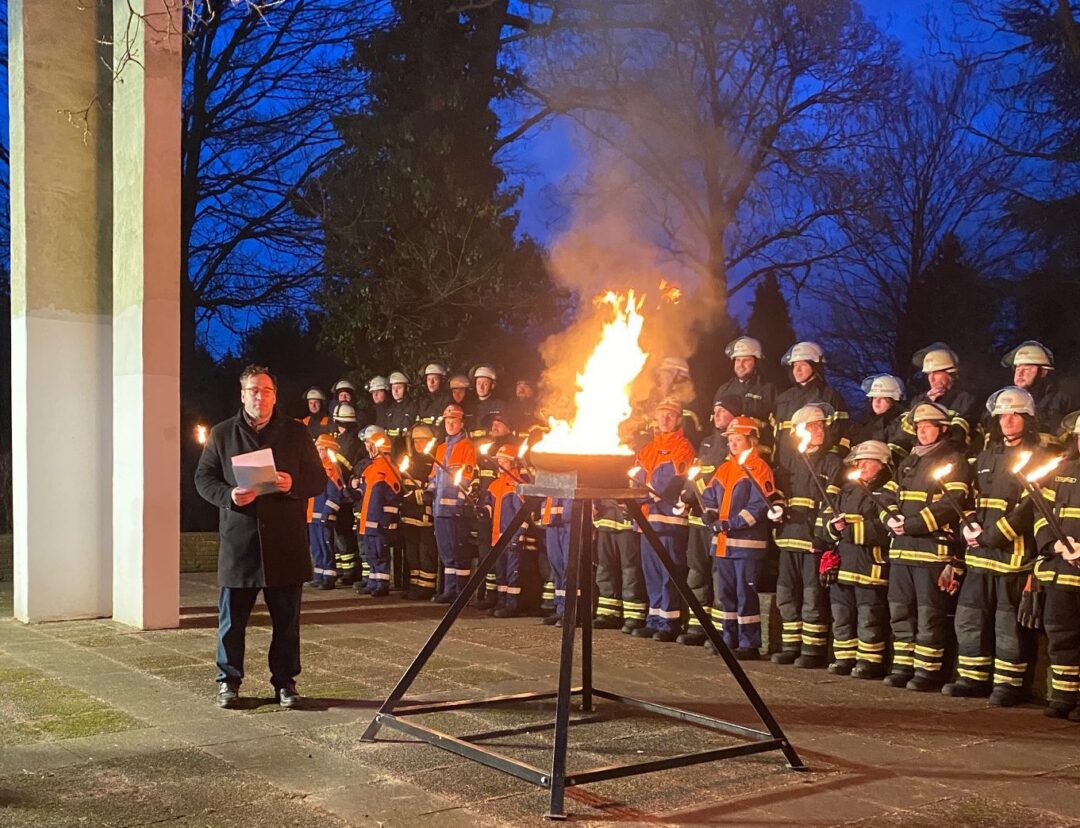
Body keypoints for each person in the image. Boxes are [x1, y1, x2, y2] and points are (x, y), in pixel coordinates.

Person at [194, 364, 325, 710]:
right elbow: (203, 479)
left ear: (274, 396)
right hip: (241, 542)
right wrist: (228, 496)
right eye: (253, 390)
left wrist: (292, 484)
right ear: (242, 394)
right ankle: (228, 682)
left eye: (266, 391)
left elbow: (318, 480)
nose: (260, 397)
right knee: (232, 621)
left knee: (286, 623)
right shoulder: (222, 434)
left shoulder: (296, 434)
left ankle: (285, 683)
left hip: (284, 542)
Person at [942, 387, 1049, 705]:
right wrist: (968, 525)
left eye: (1015, 415)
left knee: (1008, 625)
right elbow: (970, 498)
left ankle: (1010, 685)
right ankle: (972, 678)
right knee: (969, 619)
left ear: (1027, 419)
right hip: (979, 558)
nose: (1008, 420)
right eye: (1003, 415)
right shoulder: (986, 455)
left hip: (1012, 559)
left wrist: (994, 534)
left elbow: (1031, 506)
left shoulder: (1038, 457)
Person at [882, 401, 972, 692]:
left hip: (930, 553)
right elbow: (885, 496)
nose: (922, 432)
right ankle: (903, 666)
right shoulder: (909, 461)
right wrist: (890, 518)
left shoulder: (953, 461)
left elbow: (951, 503)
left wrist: (911, 524)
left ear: (942, 429)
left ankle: (928, 670)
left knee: (928, 614)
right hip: (901, 552)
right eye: (919, 427)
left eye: (928, 427)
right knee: (900, 611)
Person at [771, 403, 844, 668]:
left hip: (813, 542)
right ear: (800, 430)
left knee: (813, 597)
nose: (820, 430)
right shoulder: (789, 462)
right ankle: (791, 645)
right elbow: (777, 492)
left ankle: (812, 650)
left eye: (822, 425)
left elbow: (832, 503)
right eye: (813, 426)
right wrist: (776, 508)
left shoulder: (832, 463)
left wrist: (822, 538)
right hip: (788, 538)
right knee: (787, 595)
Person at [701, 416, 776, 659]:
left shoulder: (760, 468)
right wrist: (709, 514)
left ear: (751, 441)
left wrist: (729, 524)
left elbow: (758, 507)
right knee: (726, 595)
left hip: (746, 546)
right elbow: (711, 497)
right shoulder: (724, 468)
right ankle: (728, 639)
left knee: (746, 595)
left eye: (738, 440)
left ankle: (749, 643)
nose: (732, 444)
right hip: (723, 545)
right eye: (731, 440)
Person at [819, 440, 895, 678]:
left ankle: (869, 661)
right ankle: (844, 657)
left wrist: (849, 531)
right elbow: (824, 523)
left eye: (867, 462)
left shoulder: (888, 491)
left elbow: (885, 529)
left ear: (882, 465)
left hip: (870, 566)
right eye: (858, 462)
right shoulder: (847, 490)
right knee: (842, 614)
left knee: (868, 616)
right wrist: (833, 527)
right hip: (844, 565)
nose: (861, 466)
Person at [677, 395, 742, 646]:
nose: (716, 416)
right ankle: (697, 625)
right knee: (696, 571)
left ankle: (718, 630)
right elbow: (694, 475)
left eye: (723, 411)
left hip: (719, 520)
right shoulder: (705, 444)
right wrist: (686, 495)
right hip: (697, 519)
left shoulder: (735, 446)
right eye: (715, 411)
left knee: (719, 575)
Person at [631, 397, 696, 642]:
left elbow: (669, 480)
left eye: (670, 414)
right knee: (651, 572)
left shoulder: (683, 446)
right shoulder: (648, 447)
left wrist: (642, 495)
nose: (665, 419)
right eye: (661, 414)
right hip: (647, 519)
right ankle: (655, 619)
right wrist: (635, 497)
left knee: (668, 571)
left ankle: (669, 623)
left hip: (668, 520)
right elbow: (636, 475)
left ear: (679, 419)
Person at [1034, 410, 1080, 720]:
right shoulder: (1061, 470)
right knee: (1061, 633)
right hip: (1061, 569)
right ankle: (1064, 695)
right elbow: (1041, 516)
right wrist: (1054, 545)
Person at [427, 403, 477, 603]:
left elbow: (466, 478)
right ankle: (450, 590)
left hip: (456, 509)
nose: (450, 425)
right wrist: (429, 492)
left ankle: (461, 591)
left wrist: (461, 503)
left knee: (459, 551)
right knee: (446, 551)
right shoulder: (440, 448)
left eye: (454, 421)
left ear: (461, 423)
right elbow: (433, 476)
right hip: (439, 509)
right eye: (447, 421)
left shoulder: (467, 447)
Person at [774, 342, 848, 471]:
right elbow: (776, 436)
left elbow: (839, 434)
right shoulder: (783, 399)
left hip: (817, 467)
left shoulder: (830, 396)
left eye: (803, 364)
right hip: (786, 467)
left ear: (815, 367)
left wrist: (826, 461)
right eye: (795, 365)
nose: (797, 370)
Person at [893, 343, 980, 454]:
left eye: (937, 373)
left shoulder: (966, 400)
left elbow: (959, 436)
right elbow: (901, 435)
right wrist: (924, 404)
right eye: (929, 374)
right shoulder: (918, 400)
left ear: (950, 373)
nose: (932, 378)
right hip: (918, 460)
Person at [352, 425, 403, 597]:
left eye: (370, 444)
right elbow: (363, 493)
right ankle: (373, 581)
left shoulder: (389, 469)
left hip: (379, 521)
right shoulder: (371, 468)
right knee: (372, 553)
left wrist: (388, 519)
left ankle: (382, 583)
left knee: (381, 553)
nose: (368, 448)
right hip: (368, 520)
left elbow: (393, 497)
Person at [480, 442, 529, 618]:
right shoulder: (494, 485)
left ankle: (512, 604)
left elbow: (522, 514)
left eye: (504, 460)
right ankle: (501, 602)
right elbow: (489, 506)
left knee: (512, 572)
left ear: (513, 463)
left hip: (511, 539)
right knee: (500, 572)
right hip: (497, 538)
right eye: (499, 459)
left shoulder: (517, 485)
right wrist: (483, 510)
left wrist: (518, 536)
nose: (500, 463)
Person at [713, 336, 777, 459]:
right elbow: (716, 427)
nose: (740, 365)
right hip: (728, 456)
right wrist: (719, 452)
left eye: (746, 360)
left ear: (756, 362)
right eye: (737, 360)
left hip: (758, 456)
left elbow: (775, 428)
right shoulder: (723, 390)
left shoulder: (768, 390)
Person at [1001, 340, 1072, 444]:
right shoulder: (1006, 400)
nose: (1020, 374)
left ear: (1043, 372)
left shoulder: (1062, 398)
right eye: (1017, 369)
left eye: (1027, 369)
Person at [400, 424, 438, 600]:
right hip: (409, 514)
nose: (418, 445)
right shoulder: (410, 460)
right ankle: (414, 583)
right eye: (415, 441)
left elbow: (431, 488)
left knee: (426, 552)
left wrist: (417, 496)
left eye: (422, 441)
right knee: (412, 552)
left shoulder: (432, 462)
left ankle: (426, 586)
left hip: (425, 514)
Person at [306, 433, 344, 590]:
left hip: (323, 516)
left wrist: (327, 513)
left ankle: (329, 577)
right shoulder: (317, 468)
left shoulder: (331, 469)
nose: (318, 452)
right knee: (316, 548)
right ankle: (319, 575)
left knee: (326, 546)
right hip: (312, 516)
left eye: (321, 449)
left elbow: (336, 494)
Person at [849, 374, 906, 464]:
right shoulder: (863, 423)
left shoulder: (899, 423)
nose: (877, 401)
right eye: (875, 397)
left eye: (883, 398)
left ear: (893, 401)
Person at [385, 371, 416, 458]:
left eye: (399, 387)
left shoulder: (413, 406)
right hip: (391, 450)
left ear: (407, 389)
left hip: (406, 449)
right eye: (393, 388)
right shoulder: (390, 409)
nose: (395, 391)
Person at [471, 365, 505, 439]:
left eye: (485, 384)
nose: (481, 387)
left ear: (492, 385)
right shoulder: (470, 405)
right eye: (479, 383)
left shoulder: (499, 405)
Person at [416, 363, 451, 432]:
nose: (431, 382)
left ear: (442, 381)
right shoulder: (421, 400)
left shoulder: (447, 400)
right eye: (428, 379)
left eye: (435, 379)